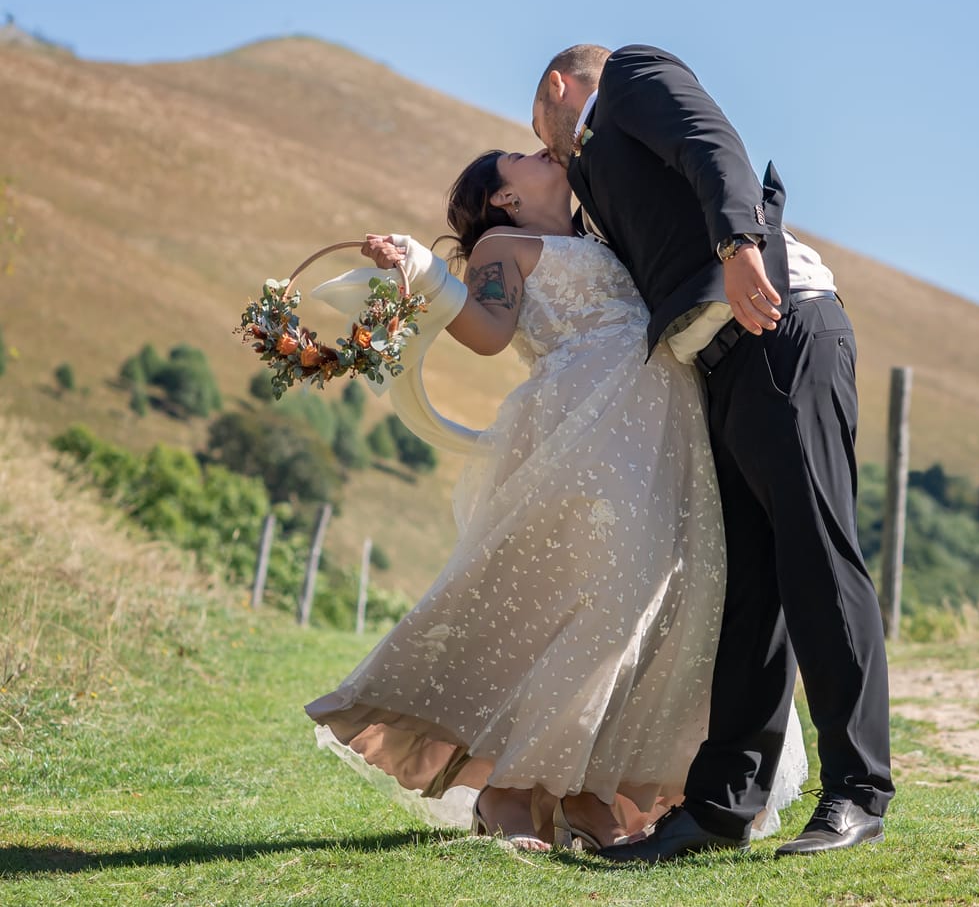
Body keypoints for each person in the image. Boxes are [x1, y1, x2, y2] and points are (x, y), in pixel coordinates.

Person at [304, 147, 803, 851]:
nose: (540, 151)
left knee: (659, 606)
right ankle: (507, 792)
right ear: (504, 199)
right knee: (603, 599)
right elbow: (487, 332)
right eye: (519, 157)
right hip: (587, 427)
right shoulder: (503, 246)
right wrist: (422, 270)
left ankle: (589, 792)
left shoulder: (600, 234)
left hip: (665, 430)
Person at [531, 43, 892, 860]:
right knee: (753, 586)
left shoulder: (629, 74)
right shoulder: (592, 171)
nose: (548, 150)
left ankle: (858, 792)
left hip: (779, 323)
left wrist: (736, 244)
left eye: (540, 130)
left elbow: (711, 142)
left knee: (817, 558)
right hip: (725, 364)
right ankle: (721, 806)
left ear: (557, 86)